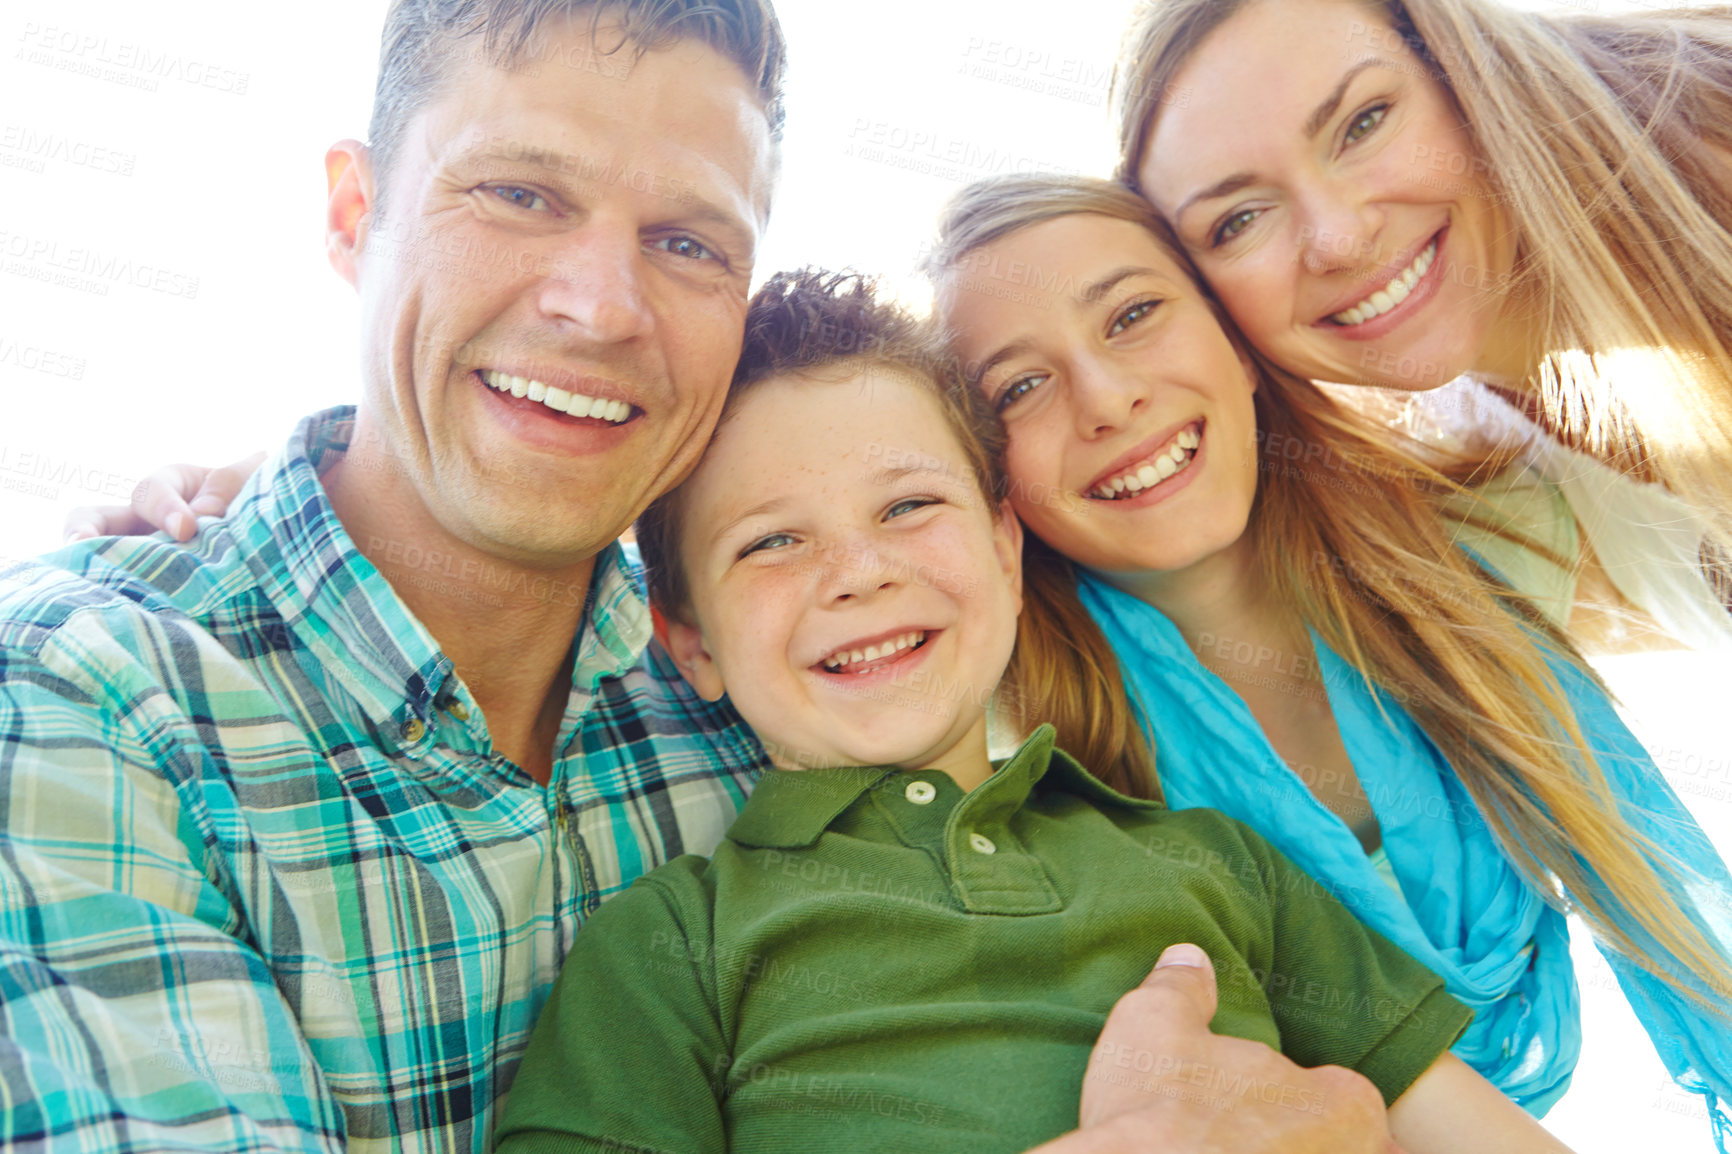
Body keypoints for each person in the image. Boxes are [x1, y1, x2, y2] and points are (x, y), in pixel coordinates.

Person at [0, 2, 1409, 1152]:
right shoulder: (88, 706)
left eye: (688, 242)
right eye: (517, 192)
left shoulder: (777, 673)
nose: (600, 305)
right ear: (353, 210)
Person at [490, 266, 1571, 1154]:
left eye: (909, 506)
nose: (858, 572)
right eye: (773, 540)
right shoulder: (672, 939)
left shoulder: (1218, 862)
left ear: (1007, 554)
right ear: (689, 643)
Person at [927, 172, 1732, 1143]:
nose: (1105, 398)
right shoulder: (1013, 745)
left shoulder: (1490, 537)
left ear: (1241, 342)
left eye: (1133, 313)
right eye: (1019, 386)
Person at [1111, 0, 1732, 634]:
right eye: (1238, 221)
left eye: (1363, 124)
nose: (1340, 240)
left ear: (1461, 69)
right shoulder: (1452, 471)